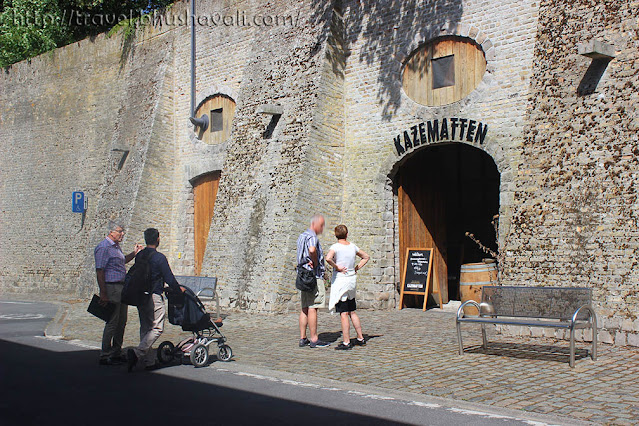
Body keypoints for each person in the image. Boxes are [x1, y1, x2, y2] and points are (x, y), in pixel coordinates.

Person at [127, 228, 184, 371]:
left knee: (145, 327)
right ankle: (137, 352)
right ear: (157, 239)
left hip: (140, 294)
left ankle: (149, 361)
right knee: (157, 327)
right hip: (154, 295)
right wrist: (178, 291)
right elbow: (169, 278)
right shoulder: (159, 258)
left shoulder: (140, 256)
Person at [94, 222, 142, 365]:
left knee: (122, 321)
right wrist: (103, 292)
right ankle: (105, 353)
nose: (122, 234)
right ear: (111, 232)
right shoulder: (104, 248)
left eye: (123, 231)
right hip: (112, 288)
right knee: (112, 321)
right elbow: (100, 271)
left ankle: (116, 351)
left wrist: (134, 254)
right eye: (120, 231)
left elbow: (121, 262)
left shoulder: (115, 247)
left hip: (121, 287)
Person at [326, 225, 370, 350]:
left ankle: (346, 342)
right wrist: (356, 268)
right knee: (352, 310)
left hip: (342, 281)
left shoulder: (335, 247)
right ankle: (360, 337)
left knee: (344, 313)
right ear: (347, 234)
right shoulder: (352, 246)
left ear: (336, 235)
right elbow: (366, 257)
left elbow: (328, 258)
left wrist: (337, 267)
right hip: (351, 280)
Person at [296, 215, 330, 348]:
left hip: (302, 275)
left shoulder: (301, 236)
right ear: (315, 224)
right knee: (313, 307)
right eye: (321, 226)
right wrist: (315, 262)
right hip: (312, 276)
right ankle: (314, 339)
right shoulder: (311, 236)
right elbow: (312, 249)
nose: (322, 229)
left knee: (304, 307)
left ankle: (303, 337)